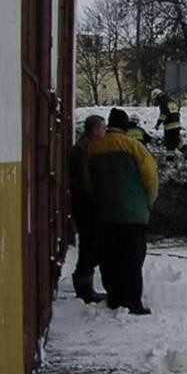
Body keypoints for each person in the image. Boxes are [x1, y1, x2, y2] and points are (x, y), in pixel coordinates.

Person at [86, 108, 159, 315]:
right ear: (125, 125)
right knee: (132, 258)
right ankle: (132, 301)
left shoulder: (93, 149)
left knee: (109, 257)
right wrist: (147, 203)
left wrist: (99, 203)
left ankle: (114, 298)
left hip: (105, 213)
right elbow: (150, 177)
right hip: (133, 214)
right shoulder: (133, 146)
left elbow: (88, 182)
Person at [68, 115, 107, 303]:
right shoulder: (85, 149)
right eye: (103, 129)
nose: (105, 132)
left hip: (82, 201)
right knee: (90, 244)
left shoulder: (82, 147)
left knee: (91, 243)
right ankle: (84, 286)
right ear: (95, 130)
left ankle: (85, 284)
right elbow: (86, 179)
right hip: (85, 203)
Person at [151, 89, 187, 162]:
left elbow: (163, 114)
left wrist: (158, 124)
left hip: (169, 125)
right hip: (176, 124)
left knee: (169, 143)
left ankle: (170, 159)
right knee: (175, 141)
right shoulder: (170, 100)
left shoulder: (163, 102)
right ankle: (185, 150)